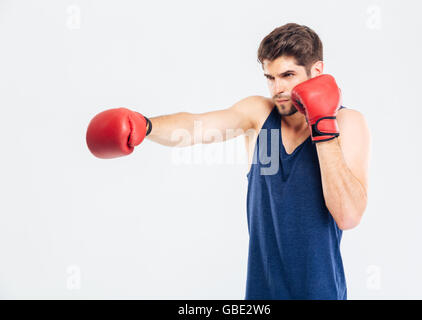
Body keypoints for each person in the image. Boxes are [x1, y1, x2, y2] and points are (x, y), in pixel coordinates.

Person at [86, 23, 370, 300]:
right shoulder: (259, 115)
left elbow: (348, 216)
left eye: (287, 75)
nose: (277, 89)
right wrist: (145, 125)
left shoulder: (347, 123)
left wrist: (322, 125)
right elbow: (196, 126)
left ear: (317, 72)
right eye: (270, 77)